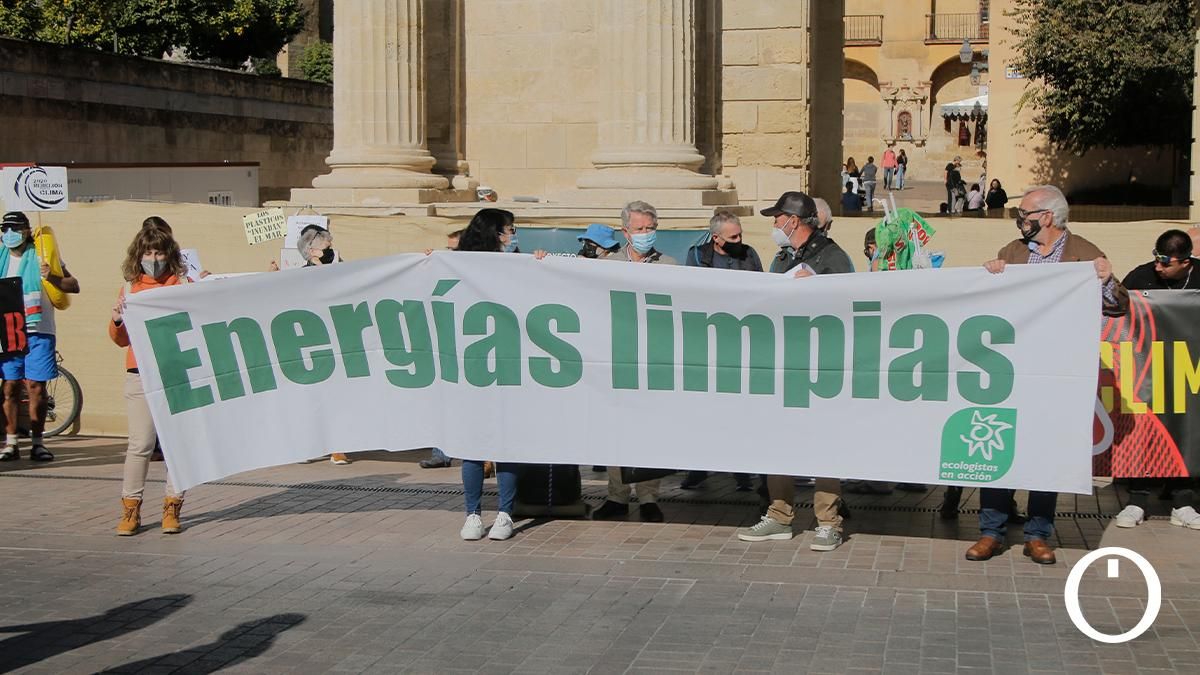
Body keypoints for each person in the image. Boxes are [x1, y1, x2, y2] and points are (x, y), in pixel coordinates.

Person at [966, 185, 1129, 565]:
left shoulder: (1085, 254)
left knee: (1046, 451)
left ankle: (1037, 535)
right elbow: (989, 302)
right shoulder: (1013, 252)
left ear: (1047, 217)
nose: (1019, 220)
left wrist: (1106, 279)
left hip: (1059, 371)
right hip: (1012, 368)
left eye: (1024, 214)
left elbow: (1117, 306)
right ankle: (991, 531)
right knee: (999, 443)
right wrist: (991, 274)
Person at [737, 191, 851, 551]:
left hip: (821, 365)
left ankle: (828, 522)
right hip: (784, 362)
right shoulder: (784, 257)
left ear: (794, 221)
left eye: (777, 218)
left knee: (824, 443)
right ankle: (779, 515)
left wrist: (815, 289)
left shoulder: (833, 257)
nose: (774, 224)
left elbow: (848, 304)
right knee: (777, 439)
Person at [1112, 229, 1200, 530]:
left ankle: (1183, 503)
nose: (1158, 267)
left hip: (1189, 373)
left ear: (1186, 263)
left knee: (1185, 434)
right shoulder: (1141, 277)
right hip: (1146, 371)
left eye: (1166, 262)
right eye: (1156, 259)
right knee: (1143, 433)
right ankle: (1136, 501)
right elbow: (1116, 310)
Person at [593, 201, 674, 524]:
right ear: (625, 232)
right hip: (618, 359)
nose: (646, 234)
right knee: (617, 430)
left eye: (650, 228)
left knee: (650, 431)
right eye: (639, 229)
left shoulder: (670, 265)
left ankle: (649, 497)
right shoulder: (607, 265)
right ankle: (617, 496)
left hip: (655, 360)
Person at [109, 225, 190, 535]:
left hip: (176, 374)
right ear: (138, 255)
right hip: (140, 374)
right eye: (148, 253)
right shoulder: (129, 289)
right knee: (140, 444)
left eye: (158, 253)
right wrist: (117, 320)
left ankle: (173, 505)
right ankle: (131, 509)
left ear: (169, 254)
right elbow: (121, 339)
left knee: (176, 444)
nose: (153, 259)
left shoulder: (182, 285)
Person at [452, 208, 525, 540]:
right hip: (472, 366)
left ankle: (505, 514)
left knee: (506, 443)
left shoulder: (516, 263)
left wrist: (539, 264)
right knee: (473, 444)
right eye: (510, 229)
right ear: (496, 232)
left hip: (508, 363)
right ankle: (473, 514)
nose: (513, 235)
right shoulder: (457, 264)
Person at [680, 210, 760, 492]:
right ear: (716, 238)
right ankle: (698, 467)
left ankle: (742, 471)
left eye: (740, 235)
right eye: (733, 237)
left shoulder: (749, 254)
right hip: (708, 343)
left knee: (741, 413)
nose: (739, 241)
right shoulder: (697, 256)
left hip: (742, 343)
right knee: (703, 412)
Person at [0, 212, 80, 462]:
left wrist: (50, 276)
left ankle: (38, 443)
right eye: (5, 228)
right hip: (8, 330)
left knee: (36, 386)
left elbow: (73, 285)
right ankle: (11, 443)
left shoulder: (42, 255)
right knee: (9, 386)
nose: (9, 233)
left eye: (15, 228)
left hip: (39, 330)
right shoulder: (1, 257)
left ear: (27, 230)